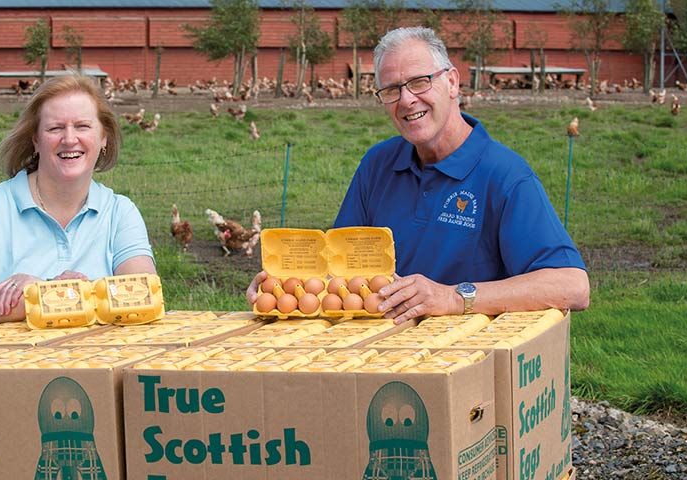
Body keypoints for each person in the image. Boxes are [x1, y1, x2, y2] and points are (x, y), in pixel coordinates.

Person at [247, 26, 589, 324]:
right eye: (392, 89)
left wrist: (453, 298)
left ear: (452, 82)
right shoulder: (378, 164)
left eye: (419, 82)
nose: (407, 100)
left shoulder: (505, 175)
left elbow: (572, 286)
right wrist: (282, 288)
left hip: (466, 359)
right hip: (378, 353)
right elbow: (337, 270)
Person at [0, 73, 156, 332]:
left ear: (104, 138)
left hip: (96, 365)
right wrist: (48, 298)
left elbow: (144, 297)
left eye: (82, 126)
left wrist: (50, 293)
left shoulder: (121, 213)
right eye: (55, 128)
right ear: (36, 140)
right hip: (12, 366)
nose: (69, 139)